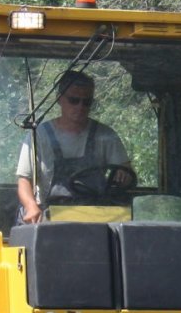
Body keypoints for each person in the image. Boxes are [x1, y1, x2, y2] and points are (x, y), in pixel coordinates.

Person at [16, 70, 135, 224]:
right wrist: (31, 206)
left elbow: (126, 171)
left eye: (86, 102)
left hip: (98, 217)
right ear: (59, 99)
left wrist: (123, 175)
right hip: (51, 217)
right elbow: (24, 180)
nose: (80, 107)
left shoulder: (105, 135)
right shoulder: (39, 135)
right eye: (74, 100)